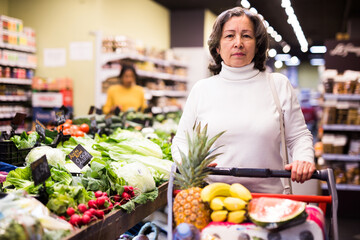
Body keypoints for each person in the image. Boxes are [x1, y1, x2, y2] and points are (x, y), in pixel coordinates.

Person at [171, 7, 316, 193]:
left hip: (269, 198)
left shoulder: (278, 85)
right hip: (212, 197)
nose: (238, 43)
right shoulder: (202, 89)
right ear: (217, 46)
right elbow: (181, 140)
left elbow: (298, 137)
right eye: (230, 36)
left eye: (246, 36)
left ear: (257, 45)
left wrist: (304, 158)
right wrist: (184, 161)